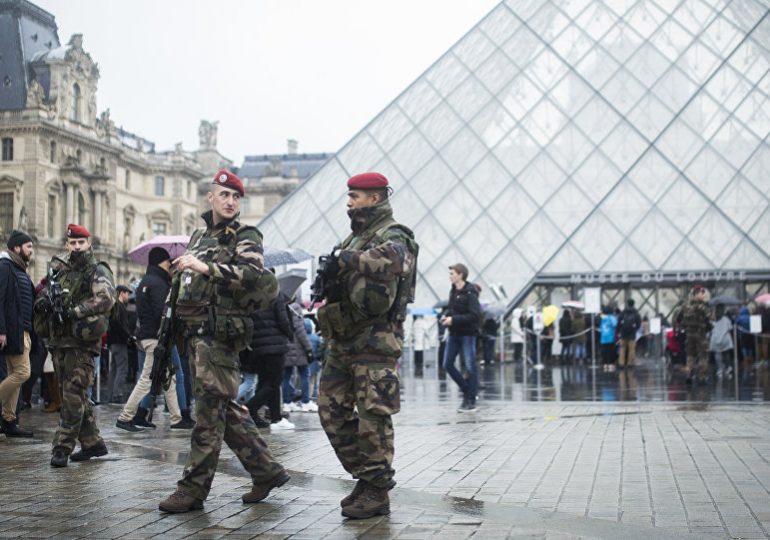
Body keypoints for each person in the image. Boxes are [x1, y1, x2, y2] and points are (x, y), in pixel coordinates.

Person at [158, 169, 289, 513]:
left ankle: (192, 489)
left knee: (208, 415)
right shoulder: (199, 236)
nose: (230, 201)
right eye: (224, 194)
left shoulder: (245, 235)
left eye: (236, 196)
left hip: (221, 338)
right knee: (223, 408)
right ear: (210, 197)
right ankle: (267, 471)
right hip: (195, 334)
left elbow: (251, 274)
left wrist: (206, 268)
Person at [316, 172, 418, 519]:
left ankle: (376, 490)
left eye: (355, 196)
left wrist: (344, 259)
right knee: (330, 410)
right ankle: (368, 477)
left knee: (374, 415)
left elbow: (393, 261)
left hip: (376, 341)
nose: (349, 202)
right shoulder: (355, 237)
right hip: (343, 338)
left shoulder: (394, 233)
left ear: (374, 198)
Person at [34, 224, 116, 467]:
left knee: (71, 394)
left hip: (82, 342)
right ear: (67, 244)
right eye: (73, 243)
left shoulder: (97, 269)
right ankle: (92, 443)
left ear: (89, 243)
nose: (77, 247)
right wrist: (42, 302)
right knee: (72, 393)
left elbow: (106, 297)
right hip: (59, 340)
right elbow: (45, 290)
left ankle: (62, 447)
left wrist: (76, 311)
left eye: (81, 242)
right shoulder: (59, 268)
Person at [116, 248, 192, 431]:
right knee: (147, 379)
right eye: (168, 262)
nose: (169, 266)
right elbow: (163, 312)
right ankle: (125, 417)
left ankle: (176, 418)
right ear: (161, 262)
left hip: (150, 336)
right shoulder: (158, 283)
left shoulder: (146, 280)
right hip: (156, 337)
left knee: (169, 378)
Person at [241, 290, 295, 431]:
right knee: (273, 383)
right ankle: (247, 408)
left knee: (266, 382)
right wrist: (290, 334)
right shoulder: (275, 293)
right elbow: (283, 319)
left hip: (257, 346)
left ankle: (276, 418)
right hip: (275, 345)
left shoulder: (249, 294)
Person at [0, 230, 36, 437]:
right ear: (16, 248)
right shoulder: (5, 267)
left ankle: (9, 420)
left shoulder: (19, 268)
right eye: (28, 246)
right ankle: (7, 418)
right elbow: (0, 300)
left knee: (16, 374)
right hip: (12, 331)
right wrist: (1, 330)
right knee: (23, 373)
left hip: (23, 330)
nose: (31, 250)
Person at [441, 263, 481, 411]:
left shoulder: (471, 292)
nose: (450, 276)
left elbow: (475, 315)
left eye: (452, 273)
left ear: (460, 275)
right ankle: (467, 390)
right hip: (454, 333)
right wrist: (445, 316)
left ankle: (470, 400)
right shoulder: (453, 291)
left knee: (470, 366)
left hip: (467, 334)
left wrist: (454, 320)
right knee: (448, 364)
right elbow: (452, 309)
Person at [282, 298, 316, 413]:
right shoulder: (296, 308)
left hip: (286, 348)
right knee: (305, 374)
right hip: (299, 349)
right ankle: (305, 402)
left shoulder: (282, 307)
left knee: (286, 376)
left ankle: (287, 403)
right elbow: (300, 331)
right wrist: (309, 348)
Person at [105, 285, 131, 403]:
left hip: (113, 342)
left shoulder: (114, 306)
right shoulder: (119, 307)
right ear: (121, 293)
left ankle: (111, 395)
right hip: (119, 342)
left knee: (114, 369)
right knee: (122, 369)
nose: (128, 296)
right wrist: (128, 336)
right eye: (127, 293)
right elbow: (120, 326)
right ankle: (117, 394)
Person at [681, 285, 712, 383]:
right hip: (700, 334)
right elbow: (711, 317)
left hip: (689, 334)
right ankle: (701, 377)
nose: (703, 295)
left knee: (691, 355)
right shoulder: (701, 306)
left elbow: (680, 318)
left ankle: (689, 374)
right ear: (696, 294)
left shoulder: (685, 305)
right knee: (703, 355)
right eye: (701, 293)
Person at [709, 305, 734, 378]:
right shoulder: (726, 319)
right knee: (726, 354)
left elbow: (710, 328)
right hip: (725, 339)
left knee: (717, 354)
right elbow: (730, 328)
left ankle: (720, 369)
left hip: (716, 339)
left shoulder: (713, 319)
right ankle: (728, 367)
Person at [617, 299, 641, 369]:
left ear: (627, 303)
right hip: (632, 334)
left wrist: (619, 331)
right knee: (632, 349)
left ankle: (621, 363)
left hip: (623, 333)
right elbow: (638, 324)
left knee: (622, 348)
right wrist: (635, 329)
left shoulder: (623, 312)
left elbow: (619, 323)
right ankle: (630, 364)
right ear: (633, 304)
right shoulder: (636, 313)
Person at [599, 306, 618, 372]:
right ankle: (610, 364)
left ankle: (605, 363)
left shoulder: (602, 317)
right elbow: (615, 325)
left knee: (604, 351)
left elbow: (600, 326)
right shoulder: (612, 317)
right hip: (610, 336)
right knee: (610, 350)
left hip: (603, 337)